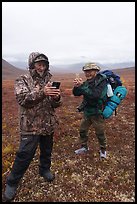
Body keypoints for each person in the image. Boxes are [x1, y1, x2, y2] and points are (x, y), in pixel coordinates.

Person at [3, 52, 62, 202]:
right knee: (24, 155)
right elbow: (23, 99)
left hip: (48, 123)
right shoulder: (22, 79)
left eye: (44, 64)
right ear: (32, 65)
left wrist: (56, 97)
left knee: (47, 150)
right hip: (30, 125)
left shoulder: (50, 79)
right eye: (38, 64)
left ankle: (44, 170)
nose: (42, 67)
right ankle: (12, 182)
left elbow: (56, 104)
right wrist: (43, 92)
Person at [72, 62, 107, 159]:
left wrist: (82, 87)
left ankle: (103, 149)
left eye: (90, 71)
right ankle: (84, 147)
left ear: (96, 71)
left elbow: (95, 95)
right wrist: (77, 86)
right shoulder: (87, 82)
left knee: (100, 132)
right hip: (87, 112)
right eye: (86, 71)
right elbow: (76, 93)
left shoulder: (102, 82)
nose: (87, 73)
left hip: (97, 112)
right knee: (83, 130)